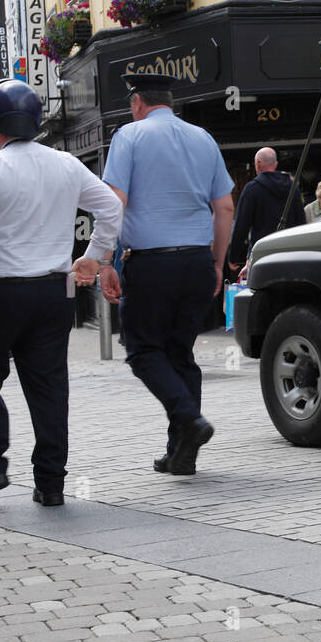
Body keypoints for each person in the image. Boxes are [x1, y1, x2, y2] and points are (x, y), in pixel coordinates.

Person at [0, 80, 123, 508]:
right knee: (49, 388)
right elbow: (111, 207)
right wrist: (94, 256)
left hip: (0, 293)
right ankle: (51, 483)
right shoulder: (65, 164)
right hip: (53, 294)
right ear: (37, 120)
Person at [97, 72, 234, 477]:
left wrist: (104, 260)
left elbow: (114, 201)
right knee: (180, 354)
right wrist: (217, 263)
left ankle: (189, 418)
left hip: (151, 262)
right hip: (196, 260)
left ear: (137, 102)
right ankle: (181, 454)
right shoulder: (203, 137)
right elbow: (224, 207)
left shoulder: (129, 136)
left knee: (143, 351)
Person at [227, 147, 302, 277]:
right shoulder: (293, 188)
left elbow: (241, 226)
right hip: (289, 255)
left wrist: (233, 257)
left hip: (261, 255)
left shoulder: (252, 189)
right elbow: (301, 222)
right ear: (276, 164)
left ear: (258, 164)